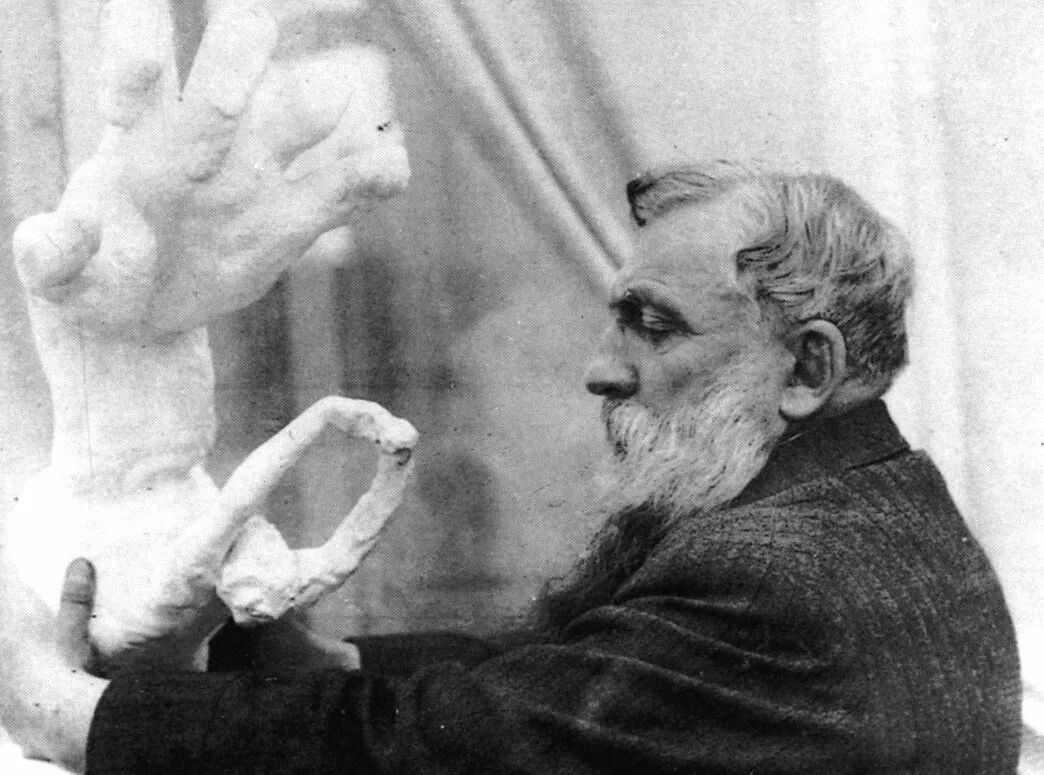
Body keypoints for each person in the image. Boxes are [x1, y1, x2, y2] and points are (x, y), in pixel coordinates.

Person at [1, 162, 1021, 773]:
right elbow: (572, 680)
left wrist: (66, 713)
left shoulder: (776, 575)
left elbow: (463, 749)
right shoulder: (867, 505)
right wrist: (328, 665)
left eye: (653, 325)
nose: (600, 369)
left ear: (807, 368)